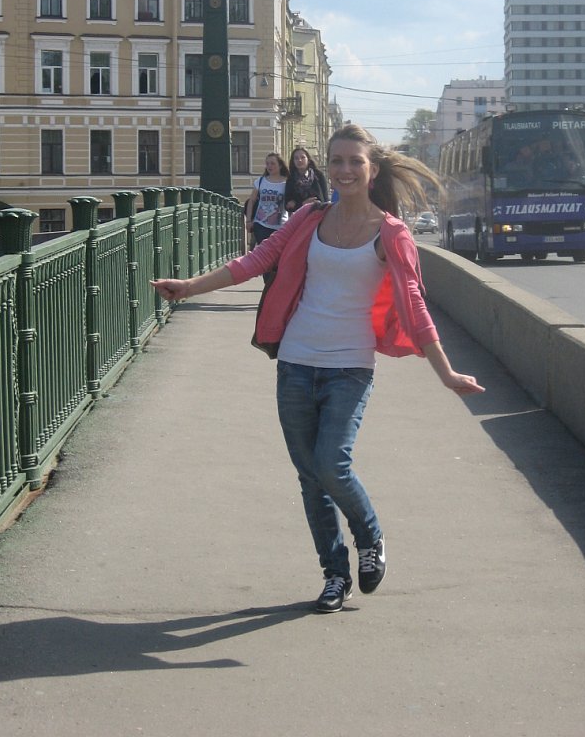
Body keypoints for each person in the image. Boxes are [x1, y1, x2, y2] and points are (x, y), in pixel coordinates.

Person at [152, 124, 484, 614]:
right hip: (296, 362)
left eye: (355, 161)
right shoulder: (310, 217)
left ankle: (369, 534)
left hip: (350, 367)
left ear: (372, 170)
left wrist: (447, 373)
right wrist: (190, 286)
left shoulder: (390, 232)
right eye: (337, 160)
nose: (345, 170)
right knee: (311, 478)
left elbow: (414, 304)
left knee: (332, 464)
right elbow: (258, 259)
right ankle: (335, 575)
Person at [245, 153, 288, 248]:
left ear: (280, 165)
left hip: (280, 225)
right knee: (265, 251)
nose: (269, 166)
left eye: (272, 163)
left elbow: (290, 203)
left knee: (277, 251)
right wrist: (248, 221)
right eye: (267, 163)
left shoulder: (287, 182)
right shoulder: (261, 181)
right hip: (261, 224)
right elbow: (251, 201)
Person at [284, 147, 329, 212]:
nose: (299, 160)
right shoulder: (291, 179)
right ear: (293, 161)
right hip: (300, 216)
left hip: (318, 214)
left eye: (303, 157)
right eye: (296, 158)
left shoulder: (318, 176)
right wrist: (303, 204)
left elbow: (325, 200)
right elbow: (288, 205)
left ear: (308, 160)